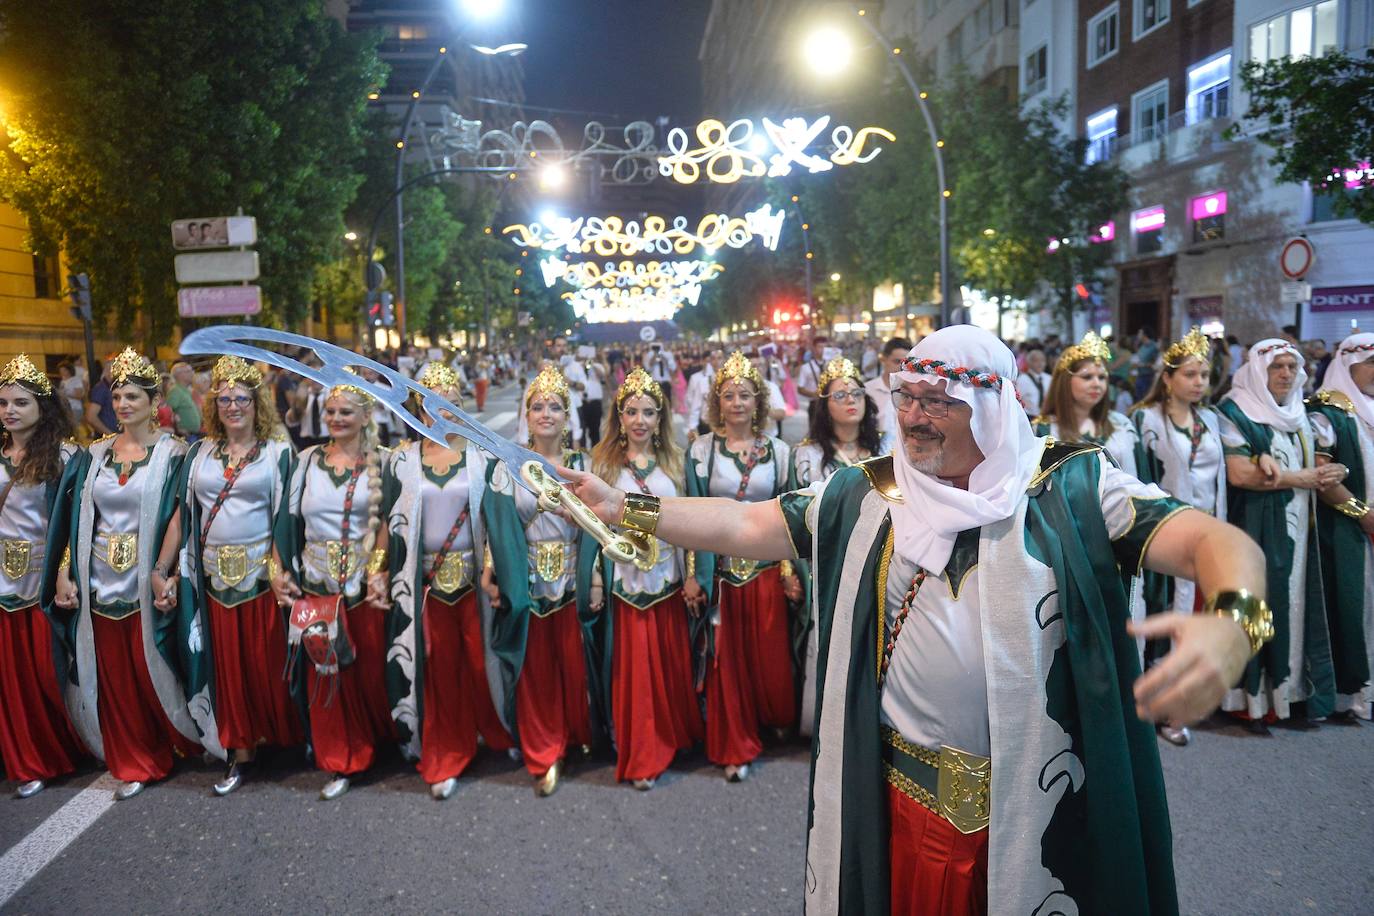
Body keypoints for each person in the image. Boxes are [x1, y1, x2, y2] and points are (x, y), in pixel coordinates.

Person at [560, 325, 1269, 914]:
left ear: (993, 407)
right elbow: (749, 524)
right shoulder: (868, 492)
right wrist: (626, 509)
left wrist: (1237, 626)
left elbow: (1218, 542)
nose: (916, 415)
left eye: (941, 401)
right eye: (908, 396)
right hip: (900, 811)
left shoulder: (1073, 489)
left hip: (1040, 816)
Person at [45, 348, 202, 801]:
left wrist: (163, 571)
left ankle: (172, 740)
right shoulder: (93, 455)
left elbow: (177, 516)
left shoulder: (174, 454)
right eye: (117, 398)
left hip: (144, 579)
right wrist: (63, 572)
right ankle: (134, 757)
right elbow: (74, 518)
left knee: (151, 663)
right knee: (111, 670)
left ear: (155, 402)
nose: (123, 405)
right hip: (98, 580)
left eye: (133, 396)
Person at [384, 363, 517, 801]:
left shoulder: (482, 458)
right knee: (438, 667)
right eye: (430, 404)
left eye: (450, 404)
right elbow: (388, 524)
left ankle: (496, 729)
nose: (440, 412)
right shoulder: (401, 461)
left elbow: (497, 520)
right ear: (419, 410)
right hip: (425, 584)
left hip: (475, 580)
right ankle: (447, 749)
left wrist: (494, 568)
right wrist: (378, 573)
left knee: (482, 660)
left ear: (461, 409)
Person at [171, 357, 302, 796]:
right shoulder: (198, 453)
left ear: (256, 402)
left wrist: (278, 568)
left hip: (259, 577)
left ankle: (280, 739)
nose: (232, 406)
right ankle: (238, 749)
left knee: (264, 662)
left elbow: (285, 515)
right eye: (224, 398)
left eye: (240, 398)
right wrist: (161, 569)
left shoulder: (278, 452)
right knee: (224, 665)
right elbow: (182, 515)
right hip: (211, 579)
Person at [586, 368, 703, 790]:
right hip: (623, 579)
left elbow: (692, 521)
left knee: (670, 664)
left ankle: (673, 739)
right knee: (633, 672)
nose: (639, 420)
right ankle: (641, 753)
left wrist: (693, 574)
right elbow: (590, 527)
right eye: (631, 411)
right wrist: (598, 581)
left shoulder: (676, 460)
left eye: (648, 412)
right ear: (619, 417)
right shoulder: (600, 462)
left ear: (660, 418)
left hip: (668, 579)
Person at [685, 351, 800, 782]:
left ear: (758, 402)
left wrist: (790, 574)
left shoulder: (780, 452)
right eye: (729, 395)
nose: (737, 402)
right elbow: (693, 518)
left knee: (770, 660)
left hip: (768, 573)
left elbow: (792, 518)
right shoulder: (700, 450)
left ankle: (774, 722)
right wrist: (694, 574)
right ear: (718, 401)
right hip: (721, 577)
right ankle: (735, 743)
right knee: (726, 663)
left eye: (745, 395)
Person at [277, 381, 393, 800]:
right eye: (330, 411)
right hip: (315, 586)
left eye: (346, 411)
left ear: (365, 416)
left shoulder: (386, 462)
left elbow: (386, 524)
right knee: (326, 676)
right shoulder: (306, 460)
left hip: (362, 589)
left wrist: (378, 573)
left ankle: (380, 743)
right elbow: (285, 521)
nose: (336, 418)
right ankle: (341, 757)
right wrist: (279, 571)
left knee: (366, 674)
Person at [1218, 339, 1340, 732]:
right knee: (1256, 605)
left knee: (1293, 605)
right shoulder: (1235, 411)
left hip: (1298, 527)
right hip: (1253, 525)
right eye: (1277, 367)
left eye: (1291, 366)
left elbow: (1319, 462)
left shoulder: (1301, 413)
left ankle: (1285, 700)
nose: (1286, 374)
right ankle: (1248, 703)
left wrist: (1335, 473)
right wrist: (1297, 478)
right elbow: (1239, 473)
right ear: (1258, 370)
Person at [485, 365, 592, 796]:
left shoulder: (583, 466)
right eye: (537, 407)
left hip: (572, 580)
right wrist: (493, 576)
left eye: (554, 406)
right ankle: (543, 748)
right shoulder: (506, 465)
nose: (545, 413)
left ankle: (574, 736)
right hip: (525, 582)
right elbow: (496, 527)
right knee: (534, 669)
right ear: (525, 416)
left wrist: (595, 579)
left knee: (573, 663)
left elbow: (601, 531)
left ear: (567, 415)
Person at [1131, 328, 1228, 746]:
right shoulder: (1146, 419)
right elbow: (1140, 478)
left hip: (1208, 530)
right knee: (1167, 614)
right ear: (1168, 378)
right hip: (1167, 532)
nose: (1198, 382)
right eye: (1190, 374)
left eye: (1204, 375)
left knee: (1198, 617)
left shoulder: (1212, 419)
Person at [0, 355, 86, 798]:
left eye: (20, 402)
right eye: (3, 403)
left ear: (42, 407)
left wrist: (64, 574)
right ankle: (24, 759)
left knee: (43, 672)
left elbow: (72, 523)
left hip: (41, 582)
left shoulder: (64, 456)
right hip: (1, 582)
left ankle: (62, 751)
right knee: (9, 677)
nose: (10, 411)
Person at [1307, 331, 1374, 721]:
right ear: (1349, 364)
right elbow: (1323, 474)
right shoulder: (1326, 413)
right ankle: (1352, 692)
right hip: (1346, 528)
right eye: (1370, 363)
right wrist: (1362, 514)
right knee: (1350, 605)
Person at [1034, 331, 1145, 477]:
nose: (1097, 384)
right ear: (1065, 381)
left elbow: (1142, 482)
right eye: (1087, 377)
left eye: (1102, 377)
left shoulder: (1122, 424)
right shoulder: (1043, 430)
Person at [864, 337, 912, 447]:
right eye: (897, 362)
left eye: (906, 364)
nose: (901, 367)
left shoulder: (915, 393)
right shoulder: (868, 390)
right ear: (884, 360)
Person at [684, 349, 721, 440]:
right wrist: (692, 427)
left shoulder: (731, 381)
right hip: (706, 424)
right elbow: (694, 405)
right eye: (713, 359)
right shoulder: (702, 381)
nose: (717, 362)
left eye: (719, 358)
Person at [579, 346, 607, 448]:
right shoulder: (578, 366)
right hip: (583, 403)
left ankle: (596, 453)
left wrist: (592, 364)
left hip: (595, 403)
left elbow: (603, 375)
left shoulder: (598, 366)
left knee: (595, 430)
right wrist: (582, 364)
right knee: (581, 430)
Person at [167, 362, 202, 439]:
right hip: (185, 437)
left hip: (192, 435)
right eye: (188, 371)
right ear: (180, 375)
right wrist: (178, 429)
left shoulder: (184, 390)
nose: (192, 373)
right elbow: (168, 411)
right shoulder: (175, 391)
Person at [1015, 348, 1051, 418]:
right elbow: (1017, 400)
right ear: (1029, 362)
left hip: (1046, 416)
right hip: (1029, 416)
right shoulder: (1022, 380)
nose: (1040, 364)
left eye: (1043, 360)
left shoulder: (1049, 378)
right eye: (1036, 361)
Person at [85, 359, 116, 438]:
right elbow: (91, 417)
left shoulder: (112, 387)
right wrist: (111, 435)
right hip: (107, 440)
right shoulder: (101, 389)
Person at [642, 343, 677, 408]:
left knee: (667, 403)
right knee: (655, 402)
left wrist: (663, 357)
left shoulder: (668, 354)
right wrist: (655, 355)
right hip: (655, 382)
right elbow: (648, 368)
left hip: (666, 382)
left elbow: (673, 368)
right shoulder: (650, 355)